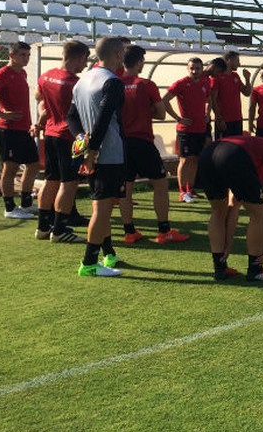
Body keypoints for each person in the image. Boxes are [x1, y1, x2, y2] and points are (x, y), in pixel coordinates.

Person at [66, 36, 128, 277]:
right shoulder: (112, 82)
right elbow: (103, 120)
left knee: (100, 206)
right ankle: (89, 263)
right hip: (109, 154)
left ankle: (109, 252)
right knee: (102, 210)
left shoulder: (82, 82)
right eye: (122, 52)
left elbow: (71, 117)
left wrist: (82, 138)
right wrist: (92, 149)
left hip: (93, 153)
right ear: (117, 55)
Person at [118, 44, 190, 245]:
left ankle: (129, 232)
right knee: (160, 183)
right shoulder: (146, 85)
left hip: (122, 143)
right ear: (139, 62)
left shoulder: (114, 82)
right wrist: (144, 111)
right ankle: (164, 230)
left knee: (126, 187)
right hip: (142, 142)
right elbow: (160, 113)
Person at [198, 134, 263, 281]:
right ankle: (256, 270)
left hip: (208, 154)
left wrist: (228, 244)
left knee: (218, 210)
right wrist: (262, 248)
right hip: (234, 154)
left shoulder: (261, 158)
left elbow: (233, 205)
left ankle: (220, 267)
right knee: (258, 213)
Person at [33, 39, 90, 242]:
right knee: (69, 183)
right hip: (69, 137)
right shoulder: (76, 83)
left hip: (50, 134)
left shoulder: (46, 76)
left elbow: (39, 98)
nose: (85, 65)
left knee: (51, 180)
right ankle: (59, 230)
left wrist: (42, 119)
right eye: (86, 59)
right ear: (79, 57)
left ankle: (42, 228)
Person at [0, 41, 40, 220]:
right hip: (9, 130)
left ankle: (26, 203)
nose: (26, 58)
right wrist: (2, 114)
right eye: (22, 55)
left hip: (23, 129)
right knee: (10, 168)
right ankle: (10, 208)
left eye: (28, 55)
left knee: (33, 164)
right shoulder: (3, 73)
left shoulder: (22, 73)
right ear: (11, 56)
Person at [162, 57, 213, 203]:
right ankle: (182, 192)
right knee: (184, 160)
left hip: (200, 128)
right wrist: (178, 118)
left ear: (202, 69)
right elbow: (164, 100)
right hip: (185, 129)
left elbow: (209, 100)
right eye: (192, 68)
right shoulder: (181, 84)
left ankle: (190, 189)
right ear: (187, 68)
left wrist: (207, 114)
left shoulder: (205, 83)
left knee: (195, 160)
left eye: (198, 68)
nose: (195, 71)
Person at [212, 50, 252, 138]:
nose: (239, 64)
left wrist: (247, 79)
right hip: (224, 120)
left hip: (237, 119)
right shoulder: (217, 77)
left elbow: (247, 93)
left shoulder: (235, 76)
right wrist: (219, 119)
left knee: (236, 146)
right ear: (229, 60)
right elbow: (213, 100)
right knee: (223, 148)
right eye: (237, 61)